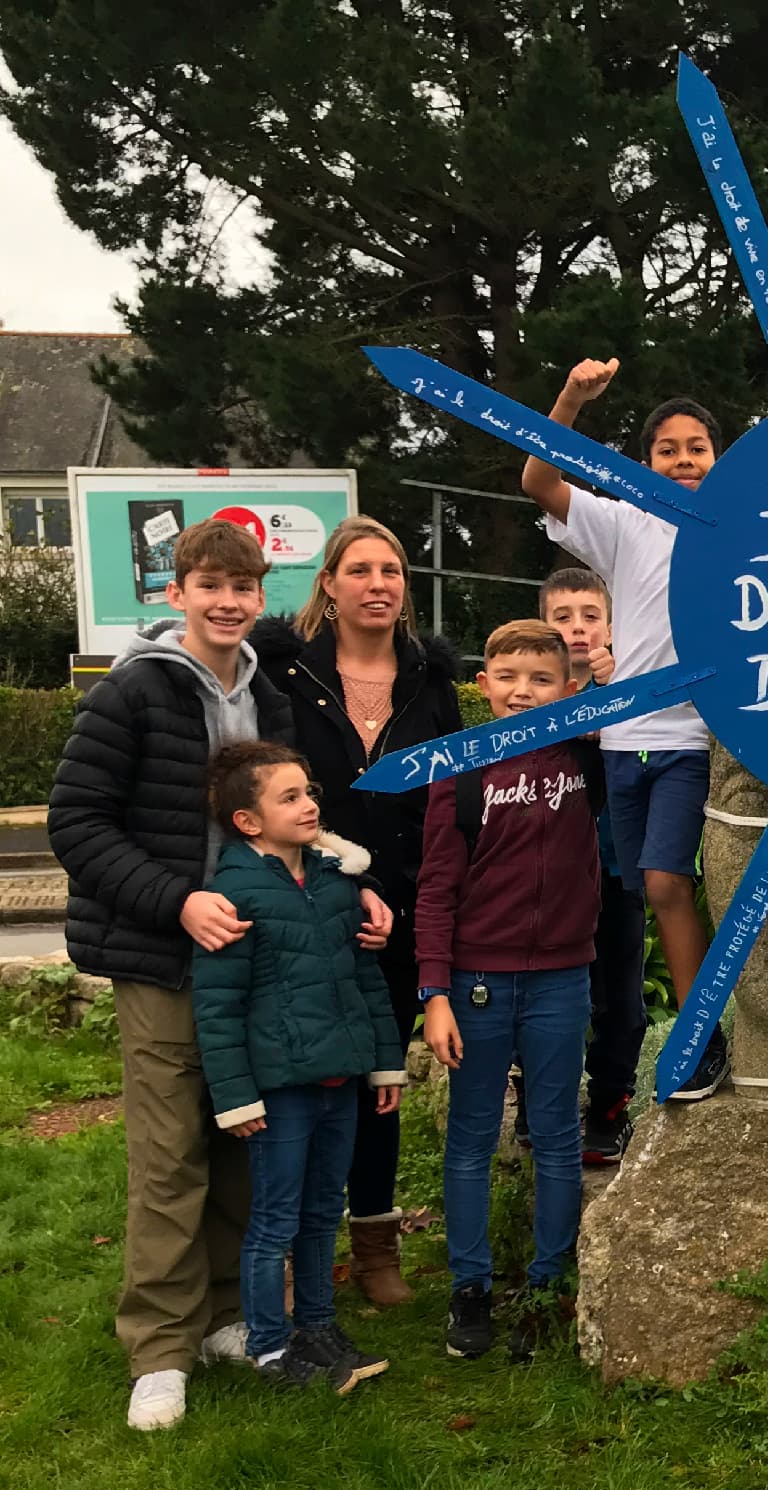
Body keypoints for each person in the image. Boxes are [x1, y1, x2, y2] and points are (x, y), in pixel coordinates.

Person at [47, 518, 384, 1430]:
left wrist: (354, 881)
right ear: (177, 595)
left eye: (244, 588)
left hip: (261, 957)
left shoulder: (268, 695)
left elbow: (293, 819)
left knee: (248, 1142)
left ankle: (228, 1317)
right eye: (211, 587)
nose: (229, 603)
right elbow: (75, 824)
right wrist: (178, 901)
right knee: (169, 1159)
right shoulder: (132, 695)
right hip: (163, 957)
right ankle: (159, 1349)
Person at [253, 516, 462, 1306]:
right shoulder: (284, 674)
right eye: (362, 570)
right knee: (299, 1077)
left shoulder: (431, 683)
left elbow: (450, 799)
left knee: (380, 1079)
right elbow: (265, 789)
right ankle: (287, 1247)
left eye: (394, 571)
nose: (379, 584)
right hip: (306, 904)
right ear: (330, 586)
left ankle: (375, 1248)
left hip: (403, 915)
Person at [521, 365, 724, 1100]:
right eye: (667, 450)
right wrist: (572, 398)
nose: (683, 461)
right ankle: (675, 1048)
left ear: (717, 459)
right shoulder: (624, 522)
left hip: (694, 736)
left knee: (670, 881)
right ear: (645, 464)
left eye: (697, 448)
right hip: (622, 735)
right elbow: (539, 481)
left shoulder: (741, 529)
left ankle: (700, 1036)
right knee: (638, 888)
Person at [416, 620, 603, 1362]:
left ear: (567, 688)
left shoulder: (591, 758)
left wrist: (600, 700)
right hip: (476, 983)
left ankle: (548, 1285)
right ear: (484, 684)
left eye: (542, 679)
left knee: (557, 1138)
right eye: (509, 677)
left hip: (563, 977)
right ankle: (470, 1289)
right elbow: (435, 888)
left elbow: (645, 721)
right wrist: (435, 992)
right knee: (469, 1140)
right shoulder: (459, 770)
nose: (524, 691)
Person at [191, 742, 403, 1392]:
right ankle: (270, 1346)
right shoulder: (233, 892)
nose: (310, 804)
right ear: (247, 821)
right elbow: (218, 1005)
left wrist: (386, 1065)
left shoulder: (338, 879)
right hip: (279, 1091)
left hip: (339, 1080)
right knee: (276, 1220)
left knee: (320, 1214)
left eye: (310, 791)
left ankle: (317, 1326)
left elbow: (366, 977)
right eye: (290, 797)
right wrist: (236, 1096)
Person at [537, 566, 650, 1162]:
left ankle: (608, 1108)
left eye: (589, 616)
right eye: (562, 617)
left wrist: (612, 699)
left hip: (614, 865)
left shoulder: (631, 685)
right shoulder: (530, 690)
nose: (577, 629)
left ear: (611, 625)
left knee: (620, 997)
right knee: (551, 991)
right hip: (545, 871)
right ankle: (540, 1102)